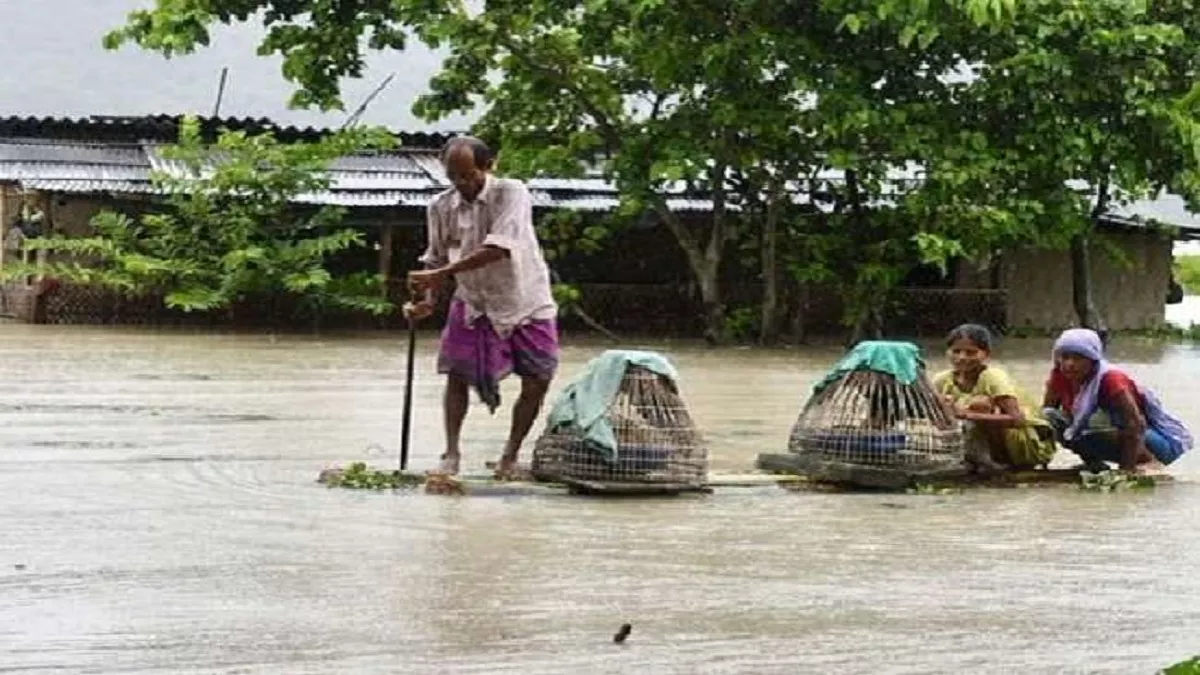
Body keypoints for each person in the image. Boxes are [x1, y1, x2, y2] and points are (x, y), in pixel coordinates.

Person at [404, 136, 559, 479]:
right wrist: (427, 301)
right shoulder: (440, 207)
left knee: (538, 379)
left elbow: (500, 247)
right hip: (474, 301)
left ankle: (509, 456)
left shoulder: (511, 192)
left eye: (468, 176)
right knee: (456, 375)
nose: (461, 184)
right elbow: (436, 256)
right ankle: (451, 453)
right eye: (453, 176)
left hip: (525, 298)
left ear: (489, 167)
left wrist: (440, 275)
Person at [1042, 327, 1192, 474]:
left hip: (1151, 442)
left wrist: (1126, 471)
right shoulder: (1059, 375)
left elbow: (1135, 425)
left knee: (1095, 421)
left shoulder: (1111, 380)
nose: (1069, 364)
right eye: (1065, 357)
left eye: (1078, 358)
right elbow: (1045, 423)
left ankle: (1147, 462)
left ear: (1093, 359)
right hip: (1110, 435)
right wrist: (1041, 464)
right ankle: (1094, 465)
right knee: (1050, 417)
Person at [932, 324, 1057, 474]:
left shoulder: (993, 377)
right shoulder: (942, 380)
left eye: (971, 352)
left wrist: (966, 415)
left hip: (1026, 443)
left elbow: (1017, 419)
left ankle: (996, 462)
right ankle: (970, 458)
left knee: (979, 404)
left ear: (986, 354)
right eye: (956, 351)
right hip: (979, 441)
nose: (962, 358)